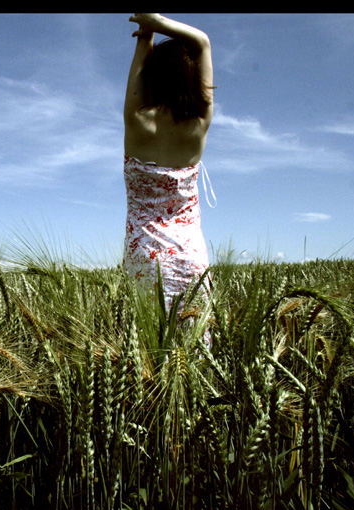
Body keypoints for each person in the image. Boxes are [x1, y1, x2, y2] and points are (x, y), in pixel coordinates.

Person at [122, 13, 215, 315]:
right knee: (194, 355)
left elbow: (140, 63)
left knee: (146, 353)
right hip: (192, 257)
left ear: (152, 77)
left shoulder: (138, 121)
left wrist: (146, 33)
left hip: (145, 258)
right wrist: (158, 21)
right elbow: (202, 43)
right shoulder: (199, 124)